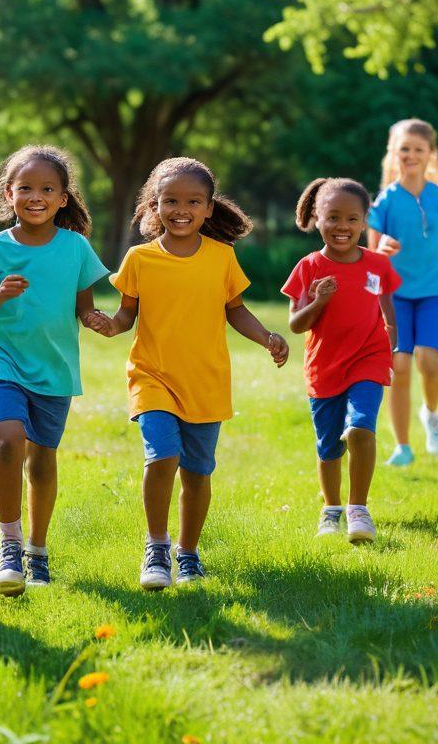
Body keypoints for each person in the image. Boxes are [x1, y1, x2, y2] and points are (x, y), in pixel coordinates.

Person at [93, 157, 289, 589]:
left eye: (193, 201)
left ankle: (188, 553)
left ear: (208, 209)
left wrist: (266, 337)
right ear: (153, 205)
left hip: (206, 380)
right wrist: (110, 324)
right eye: (171, 201)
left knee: (198, 474)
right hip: (152, 375)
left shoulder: (222, 257)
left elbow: (235, 311)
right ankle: (157, 547)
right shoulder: (139, 259)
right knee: (162, 456)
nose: (181, 209)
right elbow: (127, 316)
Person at [0, 145, 109, 596]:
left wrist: (95, 320)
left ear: (63, 198)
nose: (35, 196)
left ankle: (37, 551)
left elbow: (84, 307)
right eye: (25, 188)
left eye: (47, 189)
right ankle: (9, 545)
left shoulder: (75, 247)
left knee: (42, 458)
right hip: (3, 358)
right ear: (9, 194)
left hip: (54, 366)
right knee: (9, 439)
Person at [284, 178, 400, 544]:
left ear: (364, 221)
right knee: (329, 446)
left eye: (351, 219)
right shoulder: (308, 267)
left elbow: (387, 308)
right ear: (317, 219)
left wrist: (392, 342)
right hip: (325, 368)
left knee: (361, 428)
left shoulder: (378, 265)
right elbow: (296, 323)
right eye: (332, 217)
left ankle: (358, 509)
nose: (342, 227)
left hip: (369, 358)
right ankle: (331, 509)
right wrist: (318, 301)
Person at [368, 118, 438, 466]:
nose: (411, 155)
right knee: (400, 363)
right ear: (394, 154)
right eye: (404, 149)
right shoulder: (385, 201)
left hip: (432, 293)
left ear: (430, 154)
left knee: (427, 357)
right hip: (395, 296)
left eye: (418, 149)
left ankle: (430, 412)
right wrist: (382, 247)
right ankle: (403, 446)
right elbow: (369, 252)